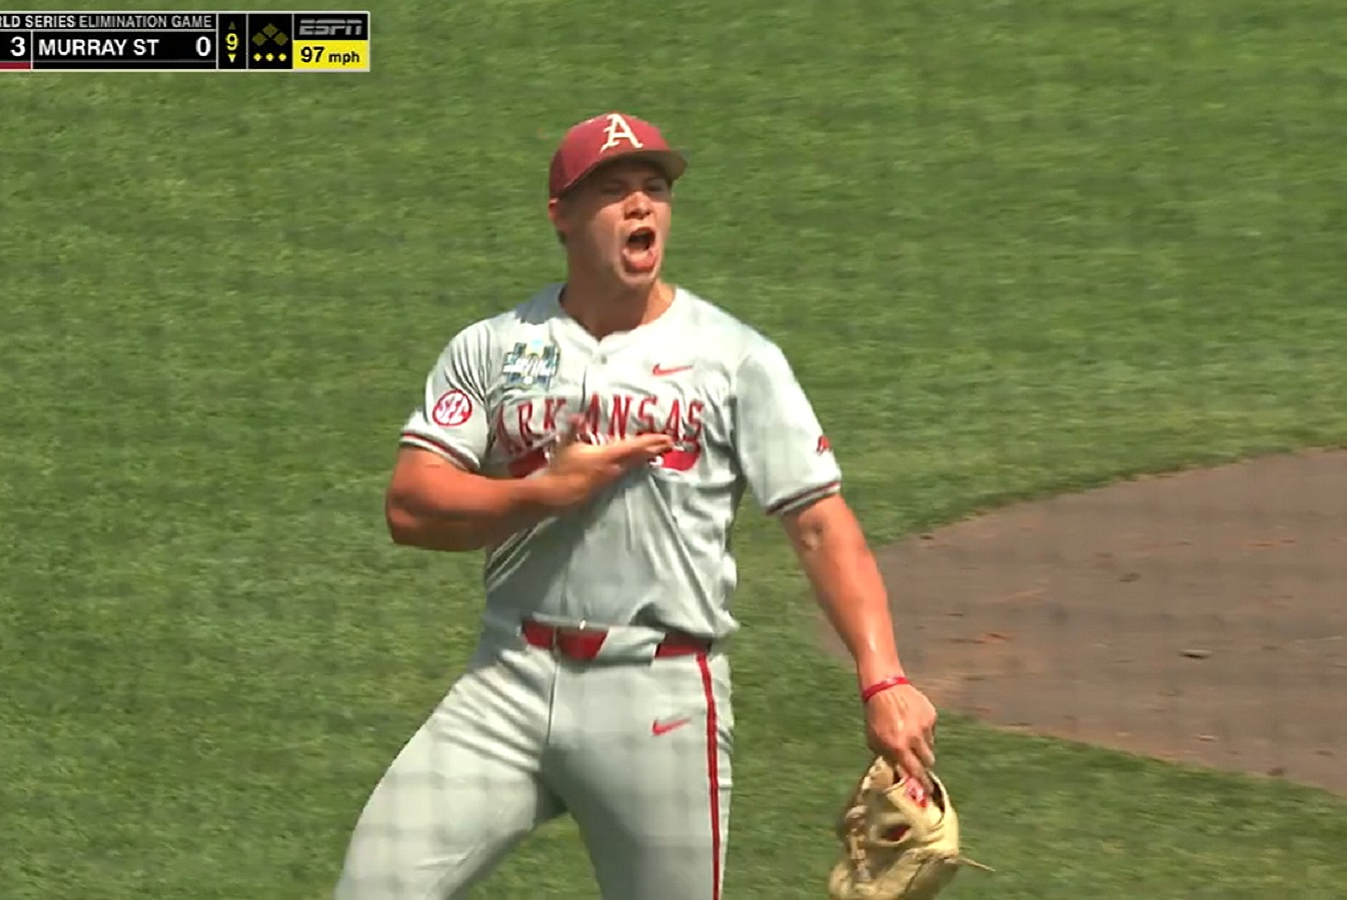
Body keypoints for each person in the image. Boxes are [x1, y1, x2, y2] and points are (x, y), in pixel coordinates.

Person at [334, 111, 938, 900]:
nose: (641, 204)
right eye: (613, 190)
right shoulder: (492, 347)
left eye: (654, 187)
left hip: (660, 703)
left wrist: (883, 679)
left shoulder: (735, 358)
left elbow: (821, 524)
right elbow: (411, 507)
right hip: (506, 681)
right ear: (560, 214)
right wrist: (545, 492)